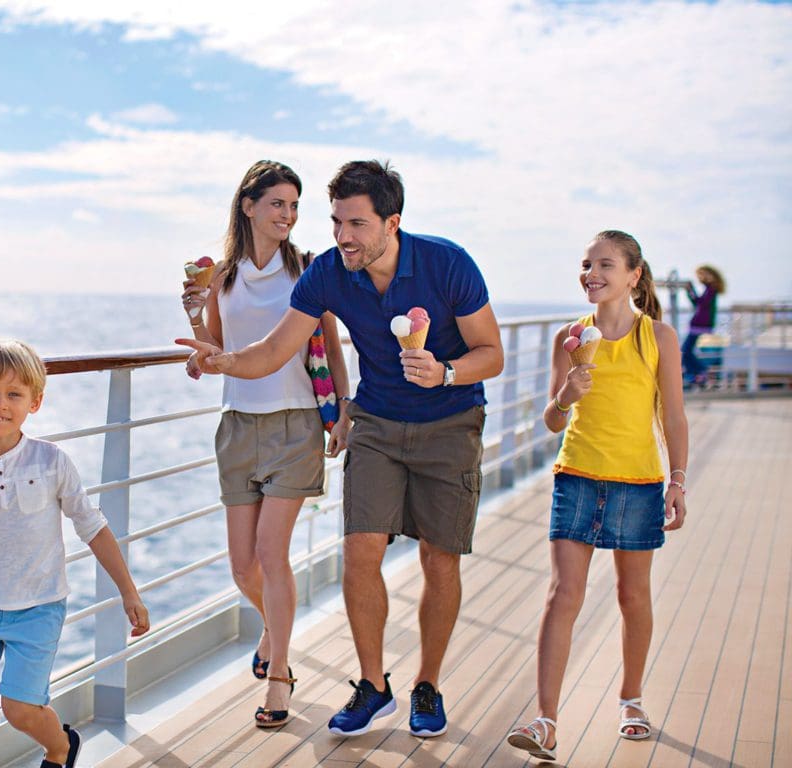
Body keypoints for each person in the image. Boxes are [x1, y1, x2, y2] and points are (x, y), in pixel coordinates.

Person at [178, 160, 503, 739]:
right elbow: (278, 348)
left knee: (438, 558)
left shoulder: (447, 263)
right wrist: (228, 361)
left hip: (451, 421)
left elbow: (491, 354)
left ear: (392, 222)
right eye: (335, 222)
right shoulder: (326, 273)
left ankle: (426, 685)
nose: (342, 236)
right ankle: (373, 684)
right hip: (376, 421)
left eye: (355, 223)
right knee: (359, 552)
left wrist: (446, 371)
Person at [0, 339, 150, 768]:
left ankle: (61, 746)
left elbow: (93, 527)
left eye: (14, 394)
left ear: (35, 402)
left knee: (18, 709)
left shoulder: (51, 461)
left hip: (38, 607)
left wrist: (129, 593)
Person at [505, 231, 689, 762]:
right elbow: (551, 420)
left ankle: (631, 699)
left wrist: (676, 481)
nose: (591, 273)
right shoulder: (570, 335)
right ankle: (546, 722)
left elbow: (672, 415)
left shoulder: (659, 338)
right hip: (578, 477)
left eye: (604, 264)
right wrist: (567, 394)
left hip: (638, 482)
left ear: (633, 275)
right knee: (563, 593)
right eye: (586, 264)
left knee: (633, 596)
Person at [180, 160, 352, 728]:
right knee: (242, 566)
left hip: (295, 423)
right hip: (237, 426)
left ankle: (279, 676)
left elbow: (327, 337)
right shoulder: (222, 277)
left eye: (294, 205)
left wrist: (342, 408)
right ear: (248, 205)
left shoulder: (306, 268)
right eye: (277, 202)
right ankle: (272, 628)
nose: (288, 214)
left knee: (271, 554)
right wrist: (195, 321)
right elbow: (219, 351)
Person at [681, 264, 725, 389]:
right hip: (699, 325)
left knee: (685, 351)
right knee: (686, 351)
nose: (700, 278)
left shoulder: (711, 289)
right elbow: (697, 303)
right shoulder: (709, 289)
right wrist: (689, 291)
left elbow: (701, 303)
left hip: (700, 325)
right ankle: (698, 373)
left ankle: (701, 371)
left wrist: (691, 290)